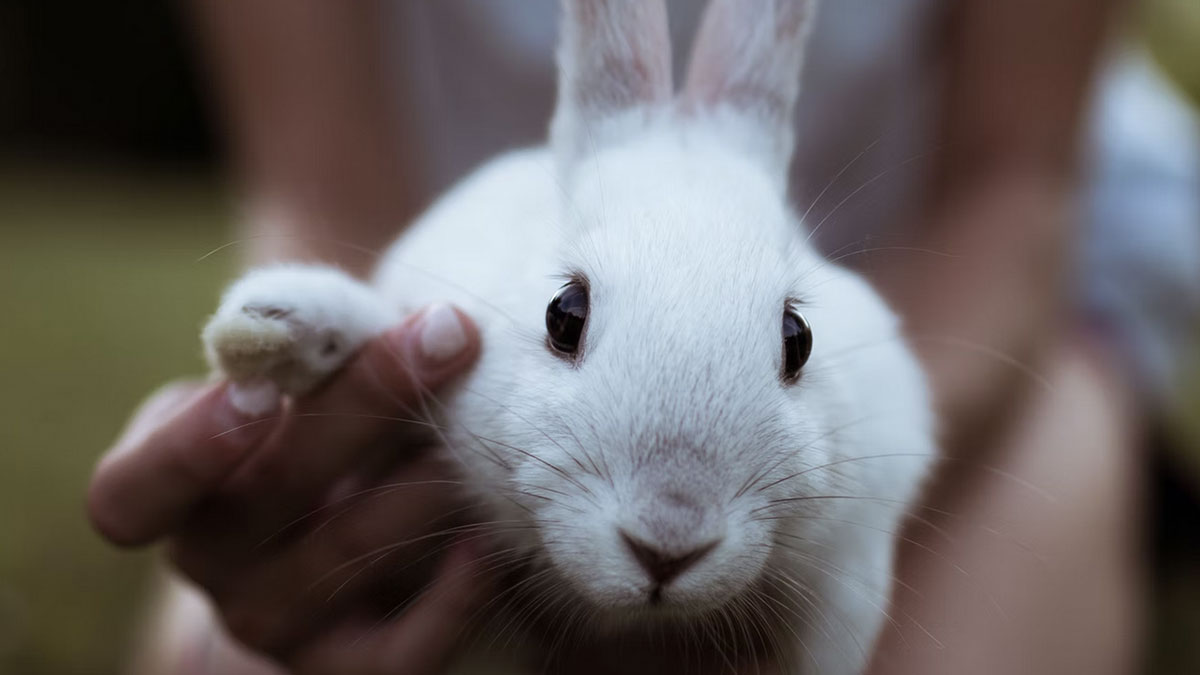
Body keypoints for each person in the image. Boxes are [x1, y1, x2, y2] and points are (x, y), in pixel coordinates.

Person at [87, 1, 1200, 673]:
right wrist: (331, 401)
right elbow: (330, 200)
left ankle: (1118, 454)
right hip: (513, 221)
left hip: (964, 283)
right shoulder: (499, 247)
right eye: (569, 321)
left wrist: (835, 526)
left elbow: (1009, 190)